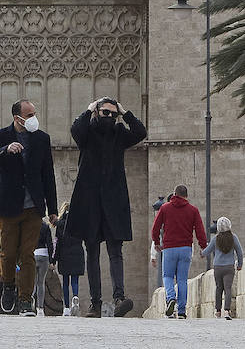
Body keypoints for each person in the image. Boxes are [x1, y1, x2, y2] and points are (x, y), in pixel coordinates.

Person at [67, 97, 147, 317]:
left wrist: (125, 112)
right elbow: (75, 129)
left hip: (114, 200)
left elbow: (141, 133)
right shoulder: (87, 133)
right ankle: (95, 303)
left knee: (115, 250)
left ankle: (119, 297)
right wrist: (89, 108)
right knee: (91, 251)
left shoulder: (119, 134)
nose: (110, 117)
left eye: (113, 114)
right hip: (89, 200)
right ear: (97, 113)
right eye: (106, 113)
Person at [0, 99, 58, 316]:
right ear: (18, 118)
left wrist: (52, 208)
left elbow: (48, 174)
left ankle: (25, 300)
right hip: (9, 205)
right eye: (30, 114)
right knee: (8, 253)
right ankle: (8, 287)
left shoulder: (42, 139)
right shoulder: (0, 137)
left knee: (28, 254)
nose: (34, 118)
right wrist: (5, 150)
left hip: (34, 206)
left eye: (35, 113)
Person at [150, 184, 207, 319]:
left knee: (168, 276)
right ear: (186, 196)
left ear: (174, 194)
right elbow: (200, 231)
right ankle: (181, 311)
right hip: (186, 248)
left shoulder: (164, 208)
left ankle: (170, 299)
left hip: (169, 248)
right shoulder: (193, 210)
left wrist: (157, 242)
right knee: (182, 279)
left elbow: (155, 228)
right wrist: (203, 246)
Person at [199, 216, 244, 320]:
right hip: (229, 267)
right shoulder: (233, 237)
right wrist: (240, 264)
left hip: (218, 267)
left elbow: (207, 251)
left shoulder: (216, 239)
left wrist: (202, 253)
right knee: (228, 289)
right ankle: (227, 311)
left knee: (219, 288)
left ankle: (218, 311)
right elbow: (240, 252)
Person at [53, 200, 85, 316]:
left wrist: (54, 260)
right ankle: (75, 297)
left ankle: (66, 307)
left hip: (64, 255)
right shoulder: (78, 224)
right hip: (77, 253)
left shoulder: (60, 225)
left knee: (65, 282)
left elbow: (57, 243)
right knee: (75, 280)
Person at [32, 215, 55, 316]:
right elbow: (50, 243)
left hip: (33, 254)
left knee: (32, 281)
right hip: (44, 255)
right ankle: (40, 308)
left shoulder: (30, 226)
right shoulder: (45, 227)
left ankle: (30, 299)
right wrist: (51, 261)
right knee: (41, 282)